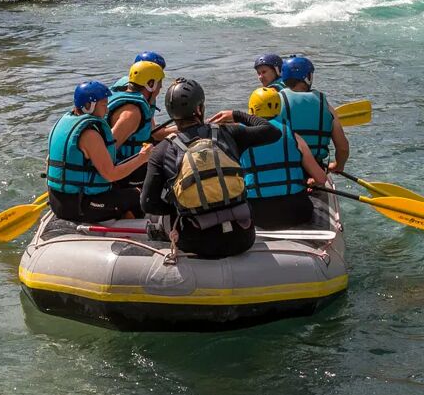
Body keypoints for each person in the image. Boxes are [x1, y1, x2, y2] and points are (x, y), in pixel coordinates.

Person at [140, 77, 282, 259]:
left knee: (158, 216)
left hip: (197, 243)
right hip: (242, 238)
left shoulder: (162, 150)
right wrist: (236, 115)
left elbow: (148, 203)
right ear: (199, 109)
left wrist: (181, 206)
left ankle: (158, 235)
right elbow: (272, 132)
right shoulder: (228, 132)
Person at [46, 80, 149, 222]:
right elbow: (111, 174)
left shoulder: (63, 123)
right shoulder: (90, 135)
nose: (107, 110)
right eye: (104, 105)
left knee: (119, 188)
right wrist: (142, 157)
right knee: (139, 195)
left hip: (57, 201)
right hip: (81, 207)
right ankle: (126, 223)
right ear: (89, 106)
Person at [241, 87, 328, 229]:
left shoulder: (238, 137)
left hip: (258, 216)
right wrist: (309, 181)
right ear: (279, 108)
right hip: (297, 213)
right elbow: (321, 179)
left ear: (251, 110)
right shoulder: (293, 136)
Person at [279, 56, 349, 173]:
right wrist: (338, 166)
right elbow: (343, 148)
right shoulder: (325, 106)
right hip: (315, 170)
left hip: (284, 169)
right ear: (308, 77)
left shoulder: (274, 103)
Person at [107, 60, 166, 188]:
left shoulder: (134, 104)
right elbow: (106, 150)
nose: (160, 88)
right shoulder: (132, 113)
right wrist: (141, 158)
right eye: (159, 84)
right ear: (150, 85)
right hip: (122, 176)